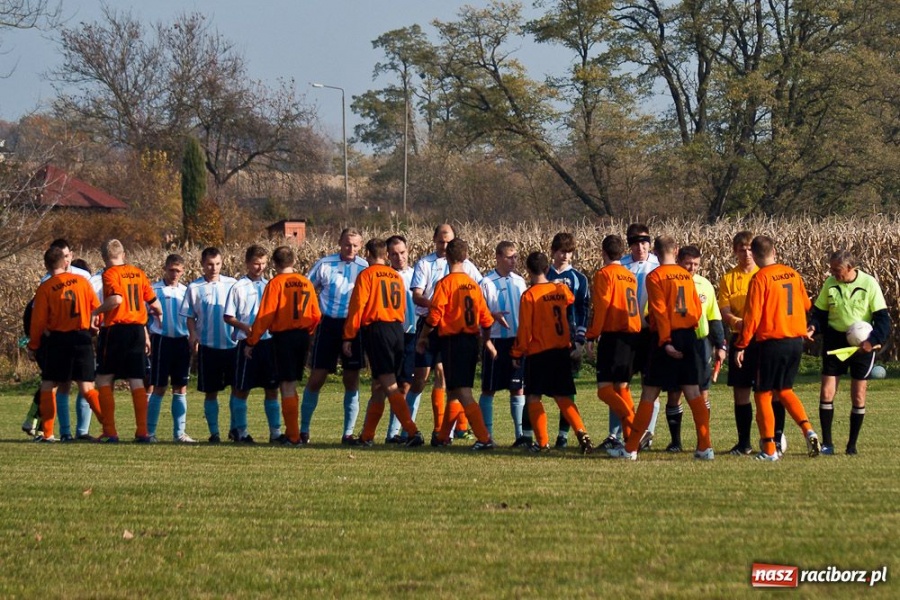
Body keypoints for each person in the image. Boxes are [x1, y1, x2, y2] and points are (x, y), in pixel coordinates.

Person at [609, 236, 713, 460]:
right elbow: (696, 310)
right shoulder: (686, 276)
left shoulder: (654, 276)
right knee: (693, 391)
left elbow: (659, 310)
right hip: (688, 336)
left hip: (665, 337)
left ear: (655, 252)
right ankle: (705, 447)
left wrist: (666, 341)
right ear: (676, 251)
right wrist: (689, 336)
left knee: (649, 393)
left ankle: (631, 449)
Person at [734, 235, 821, 461]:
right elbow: (806, 305)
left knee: (762, 394)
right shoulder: (792, 274)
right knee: (784, 390)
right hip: (795, 341)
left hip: (771, 342)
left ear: (752, 253)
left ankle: (769, 449)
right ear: (774, 250)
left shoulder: (760, 278)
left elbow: (752, 317)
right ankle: (808, 430)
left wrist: (742, 344)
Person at [343, 238, 425, 447]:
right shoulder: (395, 276)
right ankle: (367, 436)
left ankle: (412, 431)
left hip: (378, 329)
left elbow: (357, 306)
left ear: (369, 255)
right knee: (380, 385)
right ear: (385, 255)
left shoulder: (367, 274)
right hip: (397, 329)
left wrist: (349, 335)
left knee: (388, 383)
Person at [416, 238, 496, 450]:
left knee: (462, 391)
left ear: (448, 257)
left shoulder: (445, 284)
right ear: (466, 256)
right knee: (453, 390)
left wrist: (423, 336)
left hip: (453, 341)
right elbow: (486, 319)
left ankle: (484, 438)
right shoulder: (473, 285)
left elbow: (434, 316)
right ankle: (442, 436)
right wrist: (486, 340)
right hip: (471, 341)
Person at [513, 251, 595, 454]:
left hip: (539, 352)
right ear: (547, 269)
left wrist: (517, 352)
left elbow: (524, 330)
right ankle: (582, 432)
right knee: (563, 397)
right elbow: (570, 298)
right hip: (560, 350)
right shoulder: (559, 289)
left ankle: (542, 443)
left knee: (533, 397)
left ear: (528, 271)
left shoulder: (529, 295)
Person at [809, 249, 890, 455]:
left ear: (850, 268)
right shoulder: (830, 284)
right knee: (827, 392)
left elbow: (882, 319)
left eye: (838, 271)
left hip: (862, 346)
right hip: (835, 342)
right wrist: (813, 327)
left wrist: (872, 342)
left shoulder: (869, 283)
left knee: (858, 395)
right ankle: (827, 444)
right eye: (832, 270)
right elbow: (819, 314)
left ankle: (851, 445)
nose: (834, 274)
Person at [245, 246, 321, 446]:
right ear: (294, 261)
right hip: (302, 336)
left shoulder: (276, 283)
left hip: (283, 337)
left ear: (274, 263)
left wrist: (252, 341)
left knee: (286, 385)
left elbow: (265, 315)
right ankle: (293, 432)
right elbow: (316, 314)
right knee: (292, 383)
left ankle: (293, 436)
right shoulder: (305, 282)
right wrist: (308, 332)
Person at [26, 246, 104, 442]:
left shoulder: (46, 288)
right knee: (87, 387)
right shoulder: (82, 282)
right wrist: (95, 325)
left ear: (46, 265)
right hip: (83, 338)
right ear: (65, 262)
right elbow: (97, 308)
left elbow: (38, 321)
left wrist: (33, 345)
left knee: (49, 384)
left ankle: (50, 433)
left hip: (59, 339)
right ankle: (109, 428)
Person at [302, 228, 369, 444]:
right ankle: (303, 430)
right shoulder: (325, 264)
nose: (351, 249)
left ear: (361, 246)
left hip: (353, 326)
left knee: (351, 379)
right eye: (347, 244)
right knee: (317, 378)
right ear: (339, 242)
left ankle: (348, 433)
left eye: (355, 245)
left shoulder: (364, 268)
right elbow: (306, 289)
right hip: (328, 324)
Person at [92, 239, 163, 443]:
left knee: (105, 378)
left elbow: (116, 299)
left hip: (115, 330)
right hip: (137, 331)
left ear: (105, 258)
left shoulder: (109, 274)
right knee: (136, 379)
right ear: (123, 254)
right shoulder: (138, 273)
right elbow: (155, 304)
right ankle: (142, 432)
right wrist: (157, 319)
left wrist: (96, 312)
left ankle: (110, 432)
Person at [662, 246, 727, 452]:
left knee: (702, 393)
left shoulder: (705, 284)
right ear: (679, 260)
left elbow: (714, 316)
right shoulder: (668, 281)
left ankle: (703, 440)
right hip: (676, 342)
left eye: (696, 264)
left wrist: (720, 344)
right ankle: (676, 441)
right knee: (674, 394)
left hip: (700, 345)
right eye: (688, 263)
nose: (692, 268)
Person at [603, 223, 660, 450]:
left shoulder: (657, 265)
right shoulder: (621, 265)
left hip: (648, 332)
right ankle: (615, 434)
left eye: (644, 241)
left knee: (650, 385)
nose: (640, 246)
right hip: (625, 334)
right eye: (635, 242)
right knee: (619, 384)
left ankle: (647, 433)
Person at [585, 235, 641, 450]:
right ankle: (631, 440)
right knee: (622, 387)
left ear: (603, 252)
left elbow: (602, 307)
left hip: (614, 334)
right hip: (631, 336)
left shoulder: (604, 274)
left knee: (604, 389)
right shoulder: (630, 275)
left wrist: (592, 335)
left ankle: (635, 426)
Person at [224, 245, 282, 443]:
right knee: (241, 389)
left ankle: (275, 432)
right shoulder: (238, 287)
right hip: (246, 342)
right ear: (247, 263)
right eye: (256, 263)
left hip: (268, 342)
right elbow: (228, 316)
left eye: (264, 263)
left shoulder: (270, 285)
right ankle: (240, 431)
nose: (260, 267)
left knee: (272, 389)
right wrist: (245, 327)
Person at [180, 247, 237, 443]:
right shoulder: (194, 288)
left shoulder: (232, 284)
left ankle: (235, 429)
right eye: (210, 265)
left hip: (232, 345)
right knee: (211, 392)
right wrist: (193, 334)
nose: (214, 268)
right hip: (208, 347)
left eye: (218, 264)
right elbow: (189, 316)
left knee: (237, 390)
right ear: (202, 265)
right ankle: (214, 433)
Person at [543, 232, 590, 449]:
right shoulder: (543, 274)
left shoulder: (579, 279)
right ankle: (529, 435)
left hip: (568, 340)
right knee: (535, 389)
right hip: (544, 340)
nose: (565, 256)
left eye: (569, 252)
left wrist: (580, 341)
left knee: (567, 390)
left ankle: (563, 435)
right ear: (553, 251)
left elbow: (582, 310)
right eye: (561, 251)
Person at [479, 241, 528, 444]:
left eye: (515, 257)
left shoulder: (520, 281)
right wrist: (492, 315)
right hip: (496, 341)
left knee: (517, 387)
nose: (513, 261)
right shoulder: (486, 282)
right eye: (509, 257)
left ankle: (520, 435)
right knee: (489, 388)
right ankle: (487, 436)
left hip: (516, 342)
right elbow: (478, 311)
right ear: (498, 257)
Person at [717, 231, 760, 455]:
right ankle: (744, 443)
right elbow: (724, 309)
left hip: (761, 339)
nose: (746, 253)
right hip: (740, 336)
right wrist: (736, 321)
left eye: (750, 248)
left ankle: (773, 437)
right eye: (742, 249)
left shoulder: (763, 274)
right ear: (735, 251)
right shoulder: (728, 279)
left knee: (766, 390)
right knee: (741, 392)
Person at [146, 254, 196, 443]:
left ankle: (179, 433)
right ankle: (150, 432)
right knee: (158, 386)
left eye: (178, 270)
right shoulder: (154, 290)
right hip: (162, 340)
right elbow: (144, 317)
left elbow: (193, 317)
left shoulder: (186, 291)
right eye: (171, 270)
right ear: (165, 269)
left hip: (181, 341)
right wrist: (147, 338)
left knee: (180, 387)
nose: (174, 274)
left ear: (183, 271)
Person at [382, 235, 419, 443]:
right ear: (388, 256)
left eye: (402, 253)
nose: (399, 257)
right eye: (394, 254)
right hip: (391, 334)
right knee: (386, 385)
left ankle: (396, 432)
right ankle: (380, 432)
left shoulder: (416, 275)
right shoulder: (384, 276)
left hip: (412, 335)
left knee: (406, 384)